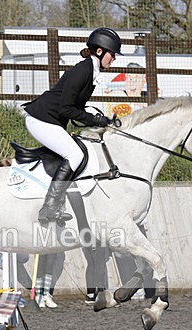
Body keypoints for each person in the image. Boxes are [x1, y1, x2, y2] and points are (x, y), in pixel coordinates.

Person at [22, 27, 121, 225]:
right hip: (40, 119)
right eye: (112, 54)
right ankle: (49, 206)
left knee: (76, 151)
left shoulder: (90, 71)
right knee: (75, 154)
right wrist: (94, 120)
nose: (114, 59)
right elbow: (65, 109)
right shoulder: (82, 71)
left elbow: (74, 108)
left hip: (50, 119)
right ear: (100, 51)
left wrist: (102, 121)